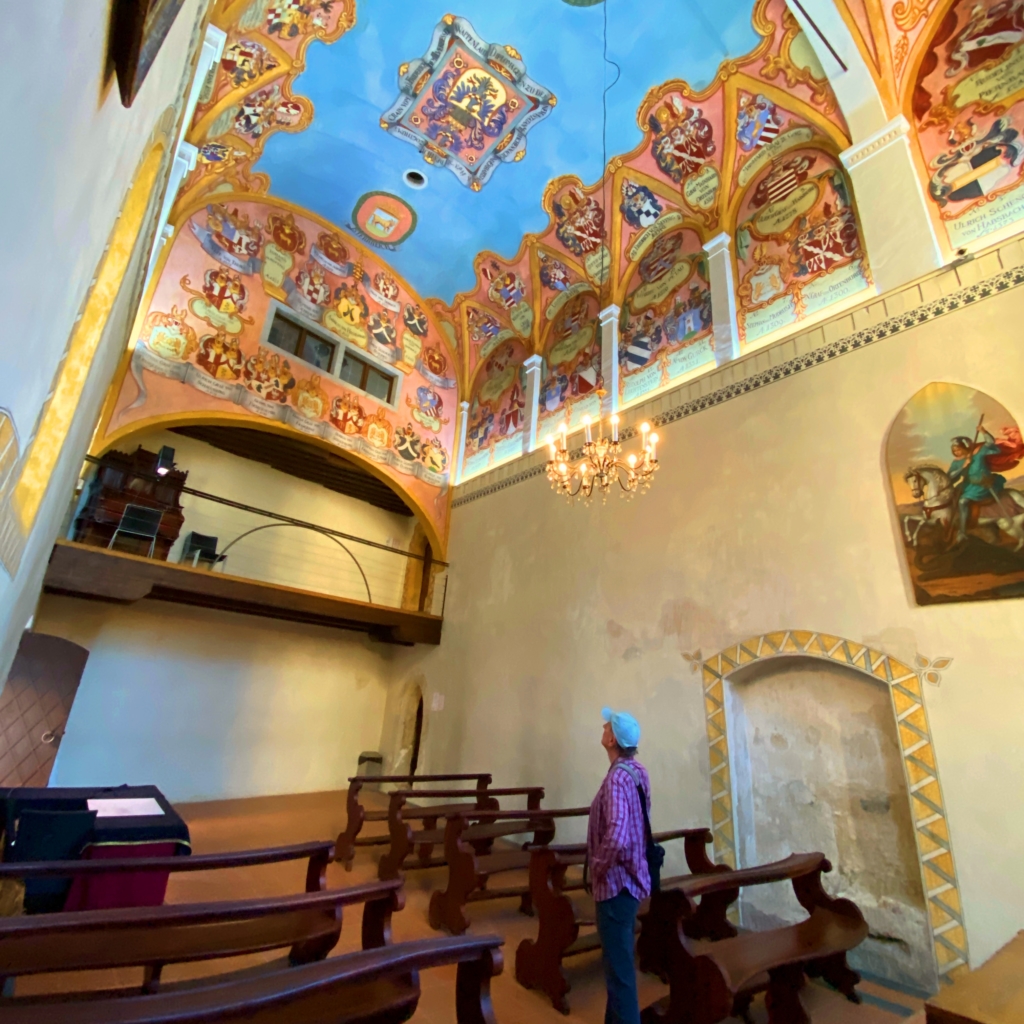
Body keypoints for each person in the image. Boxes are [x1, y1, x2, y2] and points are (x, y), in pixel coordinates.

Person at [587, 707, 651, 1024]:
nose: (602, 726)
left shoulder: (616, 781)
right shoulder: (638, 772)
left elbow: (617, 834)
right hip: (633, 879)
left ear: (612, 738)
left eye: (606, 725)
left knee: (620, 977)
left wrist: (597, 866)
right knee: (618, 969)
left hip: (615, 886)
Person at [948, 429, 1007, 541]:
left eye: (958, 449)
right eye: (954, 451)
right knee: (952, 497)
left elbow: (990, 443)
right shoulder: (956, 462)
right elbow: (950, 477)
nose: (957, 453)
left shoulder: (978, 453)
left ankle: (962, 531)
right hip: (967, 485)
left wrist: (984, 431)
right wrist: (963, 466)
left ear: (964, 447)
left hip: (983, 484)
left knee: (962, 501)